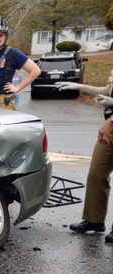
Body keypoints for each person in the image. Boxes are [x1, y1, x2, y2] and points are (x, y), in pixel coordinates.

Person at [55, 74, 113, 243]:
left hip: (110, 124)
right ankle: (94, 220)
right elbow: (107, 91)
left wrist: (110, 121)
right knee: (97, 173)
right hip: (109, 130)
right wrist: (79, 87)